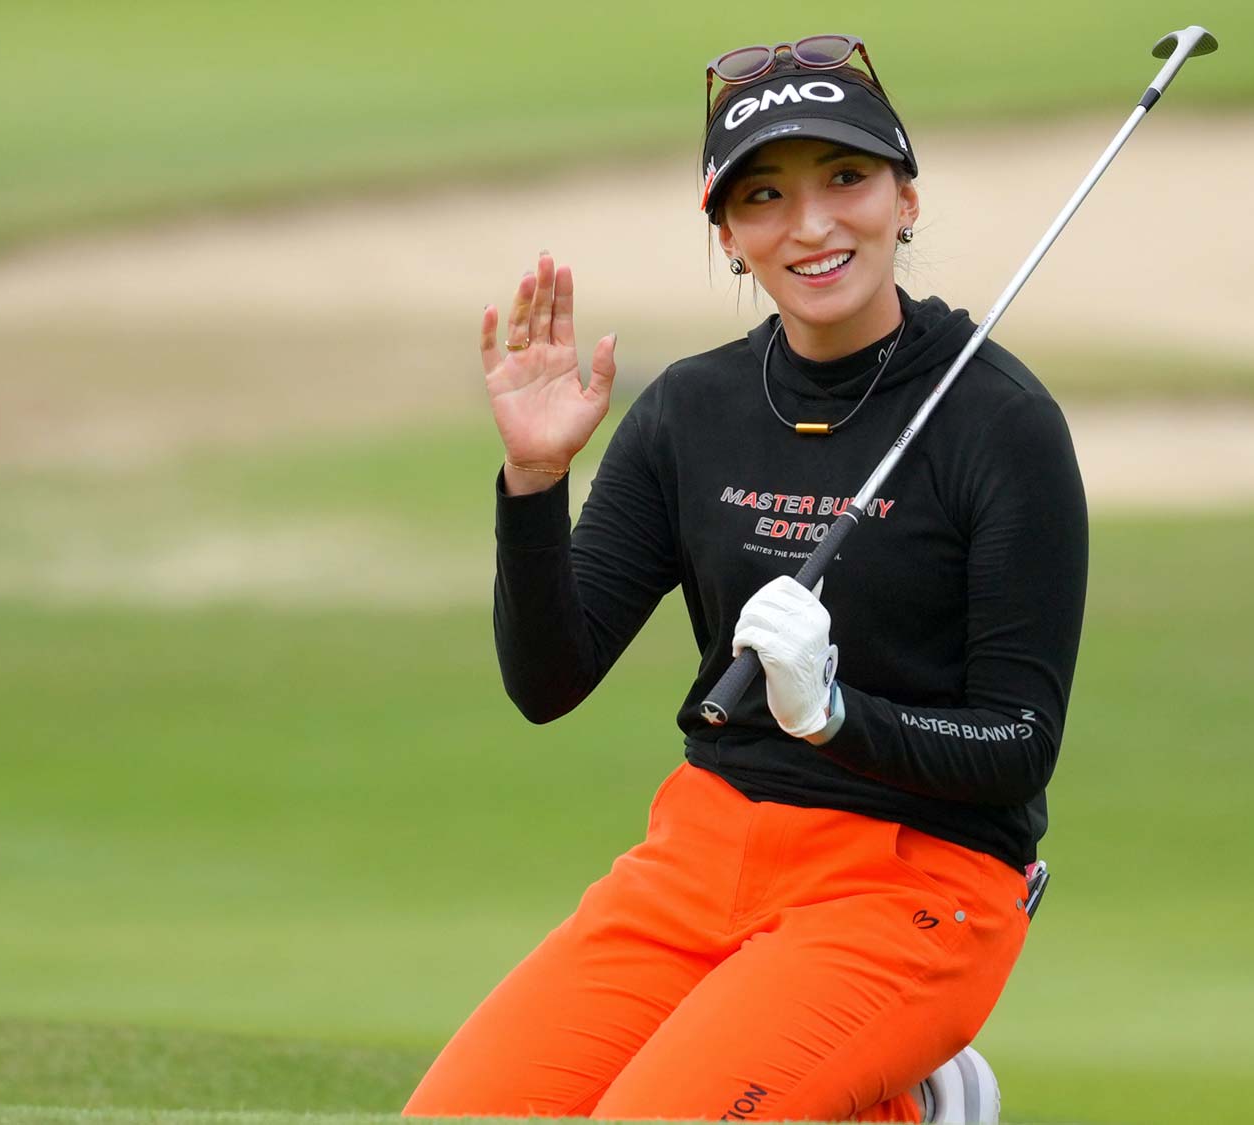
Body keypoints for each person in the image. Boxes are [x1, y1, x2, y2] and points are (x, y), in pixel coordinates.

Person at [403, 34, 1087, 1123]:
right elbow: (549, 680)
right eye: (764, 196)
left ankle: (904, 1089)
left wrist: (835, 718)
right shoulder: (690, 411)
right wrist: (533, 484)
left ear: (905, 198)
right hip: (703, 853)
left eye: (846, 179)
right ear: (727, 235)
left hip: (914, 885)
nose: (811, 225)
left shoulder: (998, 425)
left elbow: (1017, 746)